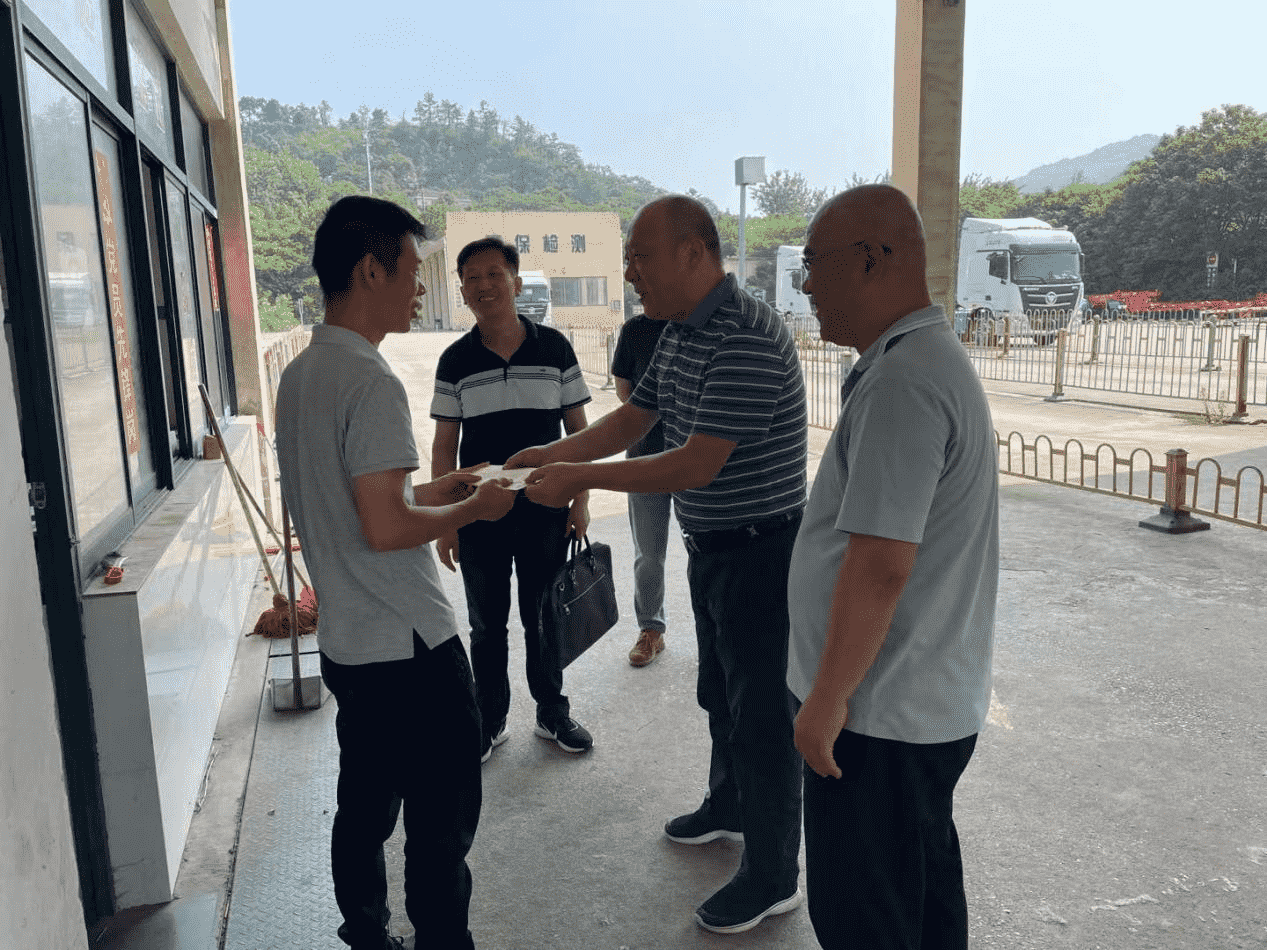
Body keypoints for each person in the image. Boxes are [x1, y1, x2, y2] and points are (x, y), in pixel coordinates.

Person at [506, 195, 808, 936]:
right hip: (715, 548)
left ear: (694, 253)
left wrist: (578, 479)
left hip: (763, 554)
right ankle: (729, 805)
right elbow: (635, 419)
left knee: (763, 716)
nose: (630, 271)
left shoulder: (744, 334)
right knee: (721, 695)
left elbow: (695, 463)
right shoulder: (676, 331)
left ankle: (774, 874)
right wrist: (551, 453)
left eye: (641, 255)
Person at [275, 195, 518, 950]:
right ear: (370, 270)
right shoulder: (370, 380)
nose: (420, 289)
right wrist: (473, 509)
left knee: (365, 802)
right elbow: (384, 528)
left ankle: (366, 931)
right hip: (409, 644)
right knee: (441, 819)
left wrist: (436, 490)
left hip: (349, 642)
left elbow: (361, 502)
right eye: (411, 271)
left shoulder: (301, 373)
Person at [786, 184, 1000, 950]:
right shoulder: (918, 362)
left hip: (878, 716)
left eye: (813, 262)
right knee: (918, 892)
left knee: (864, 917)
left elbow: (880, 563)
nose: (804, 283)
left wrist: (824, 700)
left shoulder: (903, 382)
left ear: (871, 259)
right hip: (911, 705)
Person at [431, 237, 594, 759]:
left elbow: (580, 433)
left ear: (516, 283)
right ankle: (490, 718)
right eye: (472, 279)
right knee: (486, 624)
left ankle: (552, 711)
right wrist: (447, 520)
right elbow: (444, 445)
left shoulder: (555, 349)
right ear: (462, 291)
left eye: (494, 275)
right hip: (478, 512)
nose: (483, 286)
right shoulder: (455, 360)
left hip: (546, 507)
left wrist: (581, 499)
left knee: (543, 614)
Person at [610, 312, 672, 667]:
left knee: (706, 549)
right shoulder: (635, 329)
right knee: (648, 554)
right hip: (645, 454)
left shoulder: (697, 324)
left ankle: (714, 632)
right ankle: (651, 629)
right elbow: (623, 389)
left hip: (696, 456)